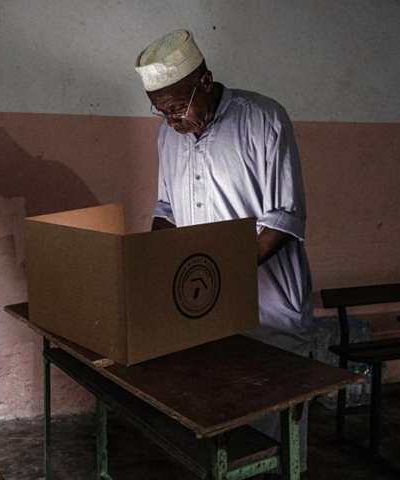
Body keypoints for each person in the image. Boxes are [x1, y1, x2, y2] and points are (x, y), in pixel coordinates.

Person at [134, 29, 314, 475]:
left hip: (266, 305)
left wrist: (224, 276)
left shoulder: (264, 119)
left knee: (274, 423)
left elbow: (285, 218)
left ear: (206, 82)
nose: (172, 121)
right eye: (162, 111)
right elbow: (167, 208)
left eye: (178, 107)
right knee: (217, 416)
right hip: (203, 303)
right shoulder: (169, 135)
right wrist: (152, 255)